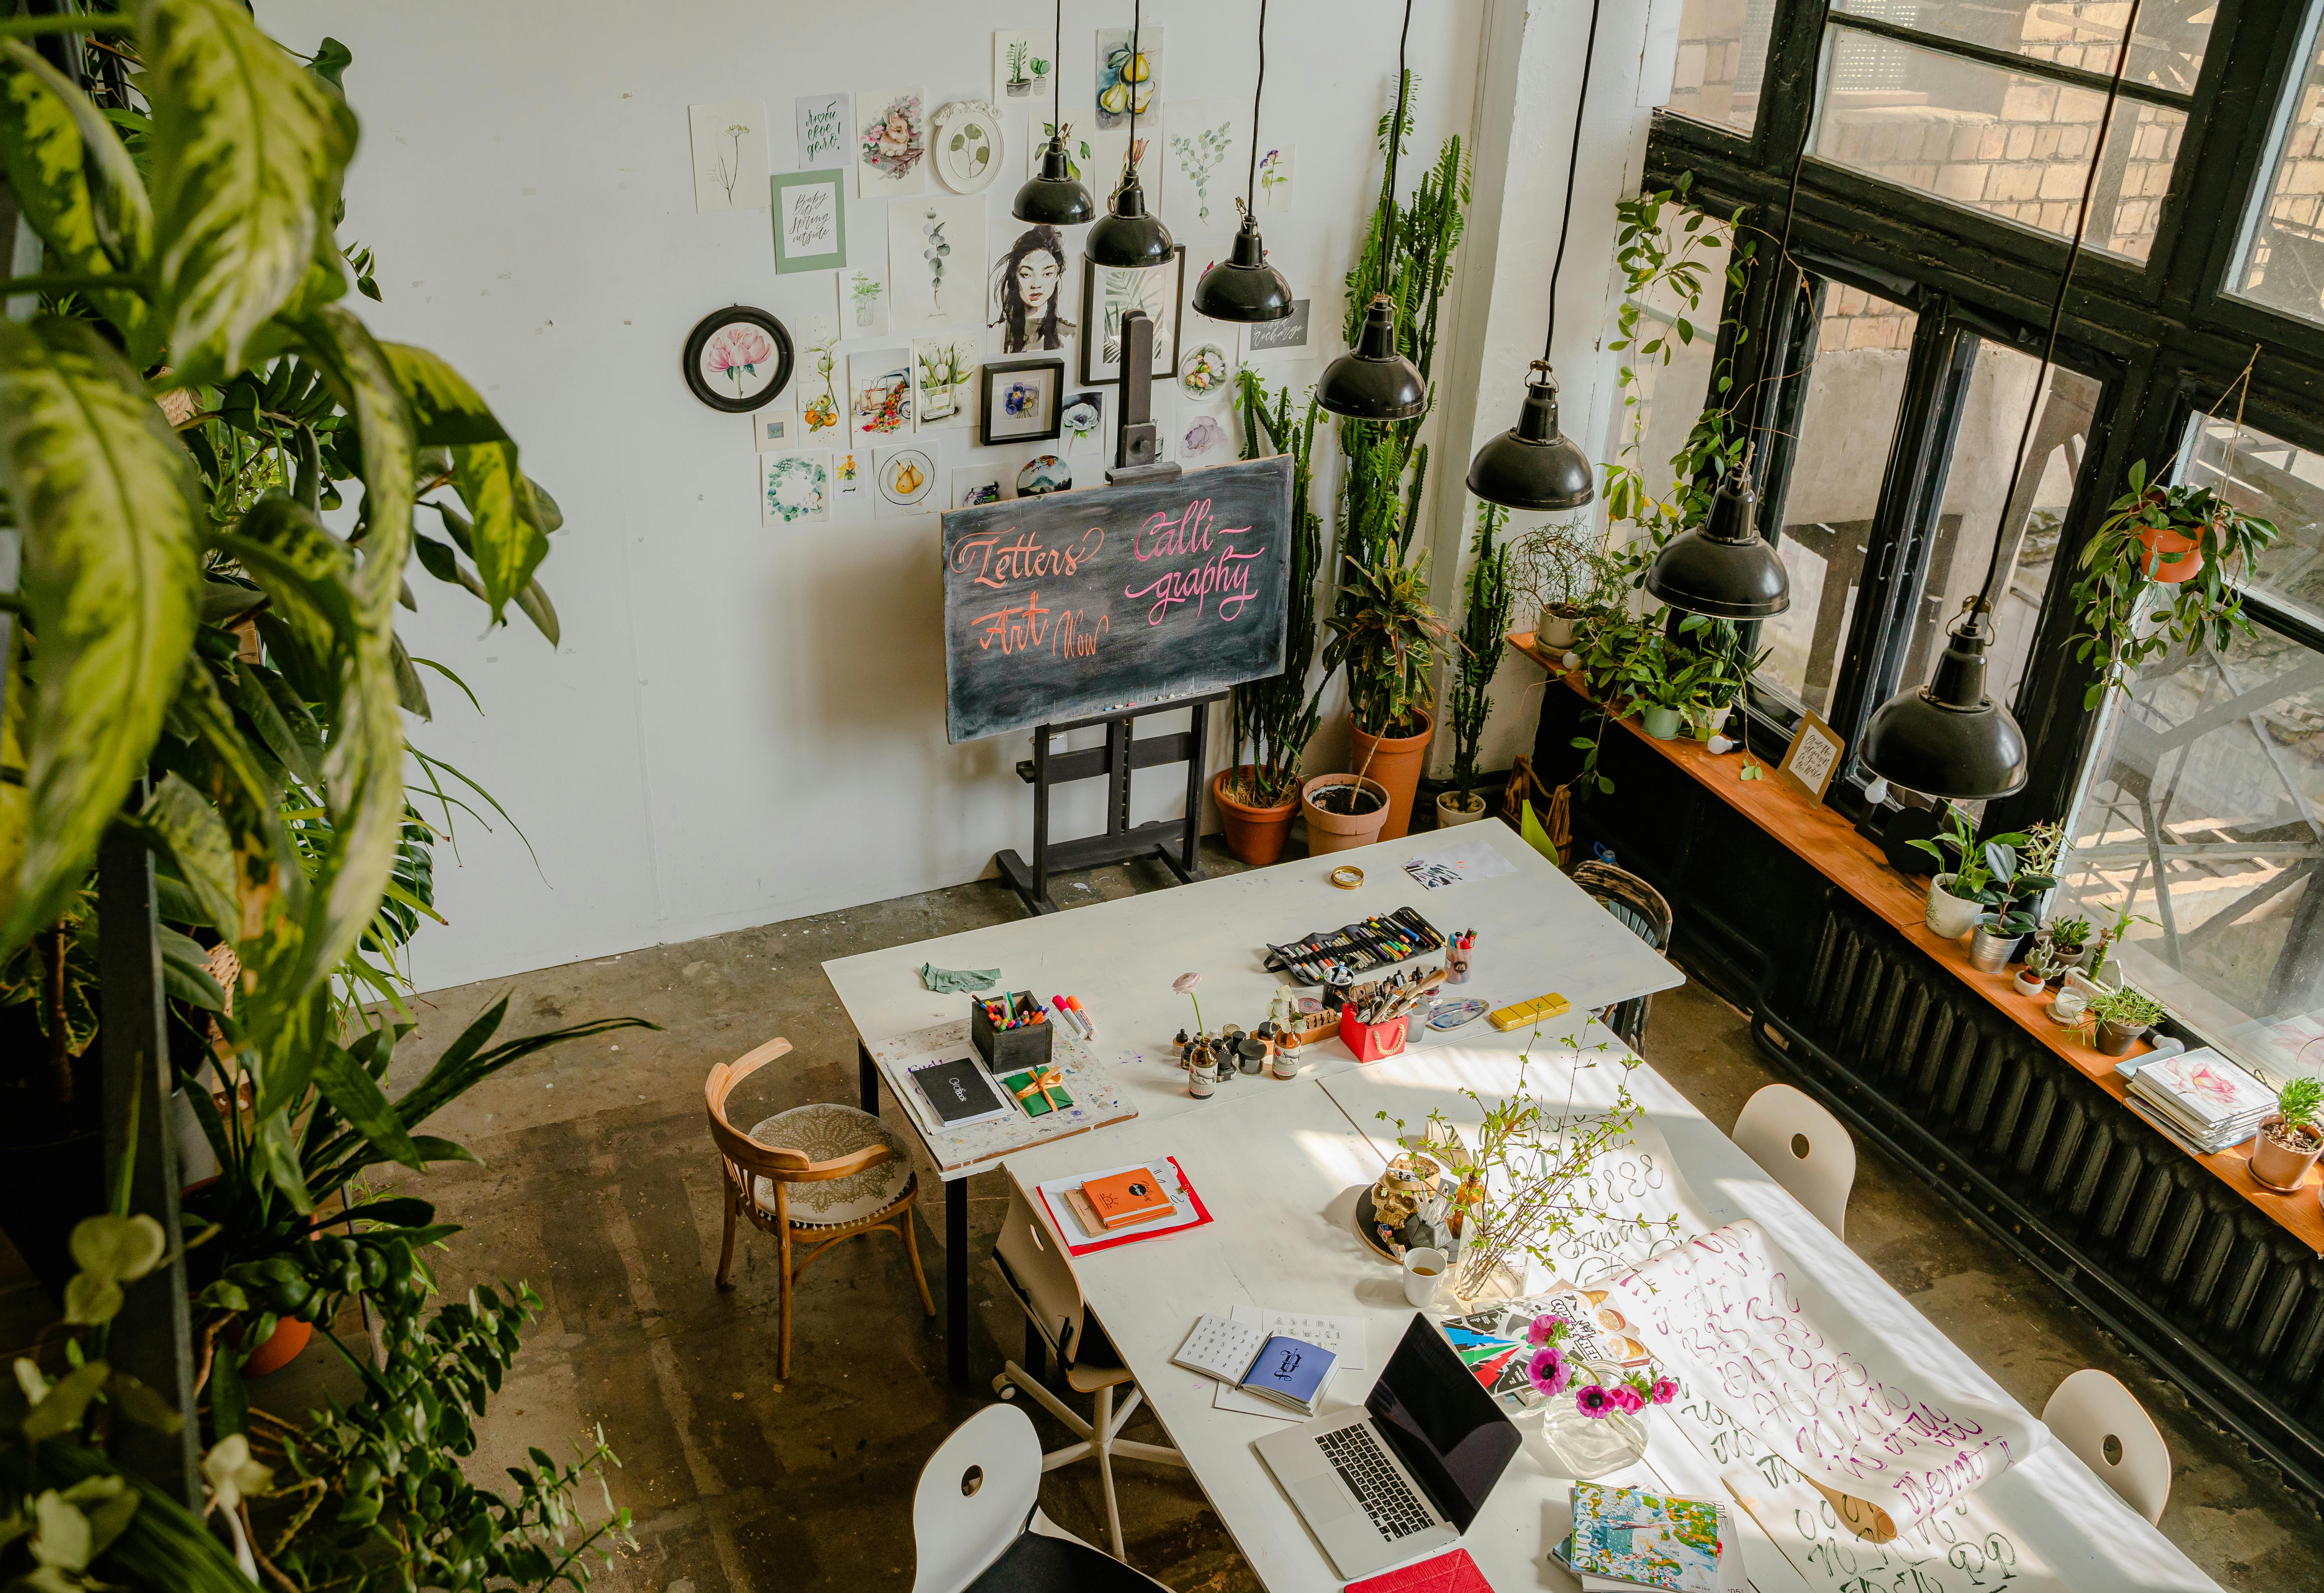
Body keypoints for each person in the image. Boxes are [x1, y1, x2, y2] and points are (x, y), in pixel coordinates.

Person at [990, 226, 1074, 352]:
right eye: (1026, 275)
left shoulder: (1068, 334)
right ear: (1015, 276)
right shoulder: (997, 333)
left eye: (1047, 274)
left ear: (1058, 275)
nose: (1036, 285)